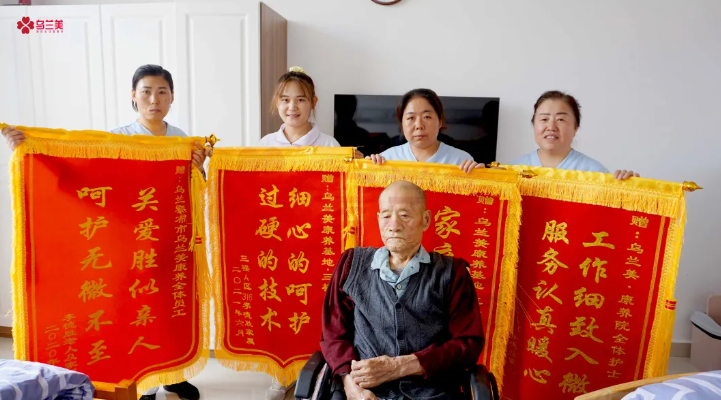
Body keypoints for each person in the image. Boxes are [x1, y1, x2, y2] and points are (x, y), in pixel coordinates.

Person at [2, 64, 206, 400]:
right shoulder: (117, 139)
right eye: (146, 92)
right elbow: (86, 173)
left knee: (169, 312)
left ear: (172, 97)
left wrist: (198, 167)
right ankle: (143, 383)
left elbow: (193, 189)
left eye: (162, 92)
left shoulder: (183, 139)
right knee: (136, 312)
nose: (154, 99)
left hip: (169, 242)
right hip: (129, 243)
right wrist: (29, 148)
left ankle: (172, 374)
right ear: (134, 96)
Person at [321, 180, 485, 400]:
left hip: (432, 393)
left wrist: (400, 366)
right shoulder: (351, 264)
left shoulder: (452, 273)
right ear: (378, 219)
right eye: (386, 216)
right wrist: (350, 385)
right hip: (363, 391)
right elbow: (333, 335)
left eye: (405, 215)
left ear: (425, 220)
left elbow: (468, 344)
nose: (394, 225)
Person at [510, 90, 639, 180]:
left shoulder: (595, 173)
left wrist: (630, 186)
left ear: (575, 127)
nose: (551, 127)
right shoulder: (513, 170)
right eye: (544, 119)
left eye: (561, 119)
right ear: (534, 124)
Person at [365, 88, 485, 174]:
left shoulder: (461, 160)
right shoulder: (387, 159)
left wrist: (480, 176)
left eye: (427, 117)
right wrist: (366, 168)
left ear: (440, 121)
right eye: (411, 118)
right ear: (402, 123)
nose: (419, 125)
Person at [259, 66, 340, 148]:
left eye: (300, 100)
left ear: (313, 102)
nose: (292, 107)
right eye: (285, 100)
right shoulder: (265, 144)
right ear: (277, 102)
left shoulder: (330, 145)